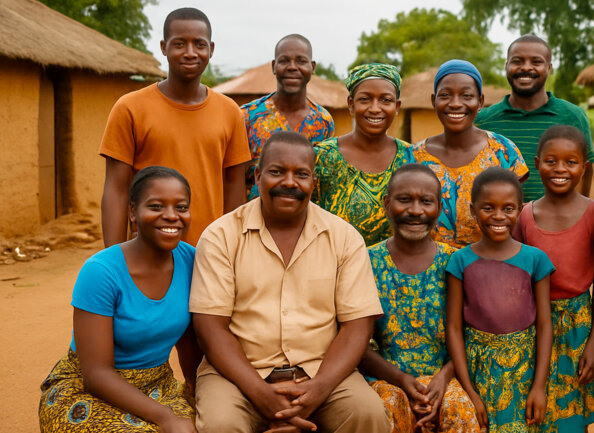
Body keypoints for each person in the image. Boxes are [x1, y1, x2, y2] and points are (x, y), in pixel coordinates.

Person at [190, 131, 390, 433]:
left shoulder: (344, 238)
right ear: (257, 176)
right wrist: (260, 394)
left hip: (322, 374)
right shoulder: (221, 237)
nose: (290, 182)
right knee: (221, 424)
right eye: (277, 171)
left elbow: (357, 326)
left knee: (368, 415)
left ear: (314, 182)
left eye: (301, 174)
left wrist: (319, 389)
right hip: (237, 378)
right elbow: (210, 328)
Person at [39, 166, 200, 433]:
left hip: (158, 387)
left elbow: (190, 342)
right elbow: (96, 374)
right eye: (156, 206)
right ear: (132, 212)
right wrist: (166, 418)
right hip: (89, 390)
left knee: (210, 424)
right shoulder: (101, 272)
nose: (172, 216)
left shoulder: (191, 260)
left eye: (181, 207)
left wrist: (197, 394)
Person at [100, 7, 250, 246]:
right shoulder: (130, 108)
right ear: (164, 47)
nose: (190, 53)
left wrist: (232, 250)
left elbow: (234, 188)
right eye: (179, 44)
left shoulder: (230, 112)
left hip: (209, 252)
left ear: (211, 49)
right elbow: (116, 190)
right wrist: (115, 258)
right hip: (148, 251)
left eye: (199, 44)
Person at [361, 164, 480, 432]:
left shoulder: (456, 262)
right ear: (387, 204)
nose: (416, 210)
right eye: (404, 200)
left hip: (446, 377)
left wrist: (444, 377)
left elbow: (472, 334)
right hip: (385, 378)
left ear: (439, 207)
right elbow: (357, 342)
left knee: (459, 408)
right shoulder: (366, 261)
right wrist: (401, 379)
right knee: (387, 407)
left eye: (426, 201)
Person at [513, 125, 594, 432]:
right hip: (532, 326)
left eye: (570, 162)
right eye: (551, 161)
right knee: (532, 413)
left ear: (584, 167)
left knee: (573, 416)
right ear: (537, 163)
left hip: (578, 329)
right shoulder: (524, 216)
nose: (560, 169)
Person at [446, 167, 554, 432]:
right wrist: (469, 391)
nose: (498, 216)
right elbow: (454, 328)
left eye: (508, 208)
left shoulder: (535, 259)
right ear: (473, 210)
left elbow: (544, 324)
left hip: (525, 371)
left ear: (520, 210)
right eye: (488, 208)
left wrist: (539, 386)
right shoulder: (460, 261)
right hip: (478, 371)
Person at [411, 59, 528, 248]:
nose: (455, 104)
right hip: (429, 263)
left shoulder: (503, 152)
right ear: (434, 101)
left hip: (489, 261)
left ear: (480, 101)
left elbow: (515, 214)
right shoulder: (414, 157)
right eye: (445, 95)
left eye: (466, 96)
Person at [475, 35, 594, 203]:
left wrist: (576, 214)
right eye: (517, 61)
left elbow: (586, 171)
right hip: (500, 218)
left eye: (536, 62)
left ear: (549, 68)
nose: (526, 67)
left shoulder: (573, 116)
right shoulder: (483, 121)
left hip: (559, 218)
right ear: (506, 66)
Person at [313, 63, 411, 246]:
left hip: (392, 264)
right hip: (332, 261)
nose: (375, 108)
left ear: (397, 106)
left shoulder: (411, 158)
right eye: (365, 99)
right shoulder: (323, 157)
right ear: (351, 104)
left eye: (386, 100)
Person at [241, 34, 334, 200]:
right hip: (254, 213)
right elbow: (235, 178)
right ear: (273, 66)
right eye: (284, 61)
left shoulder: (322, 122)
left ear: (312, 67)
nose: (292, 67)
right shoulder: (248, 116)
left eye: (301, 61)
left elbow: (322, 181)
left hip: (304, 212)